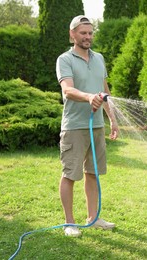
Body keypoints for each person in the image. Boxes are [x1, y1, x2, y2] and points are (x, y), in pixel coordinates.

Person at [56, 15, 119, 237]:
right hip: (75, 126)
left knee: (93, 173)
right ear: (72, 34)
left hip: (96, 126)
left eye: (90, 33)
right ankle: (69, 223)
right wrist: (88, 96)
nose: (88, 37)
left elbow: (105, 91)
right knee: (70, 174)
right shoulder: (65, 59)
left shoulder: (99, 58)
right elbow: (68, 90)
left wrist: (112, 118)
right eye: (83, 33)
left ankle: (93, 218)